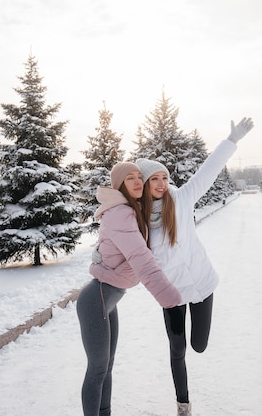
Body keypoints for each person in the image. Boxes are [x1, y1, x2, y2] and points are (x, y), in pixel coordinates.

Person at [136, 117, 254, 416]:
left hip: (202, 285)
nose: (162, 184)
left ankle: (188, 381)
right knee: (178, 350)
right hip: (171, 295)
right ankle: (183, 404)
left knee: (198, 345)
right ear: (145, 185)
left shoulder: (183, 199)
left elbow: (208, 171)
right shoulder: (137, 220)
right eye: (155, 180)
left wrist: (232, 141)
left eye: (164, 177)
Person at [77, 162, 182, 416]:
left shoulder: (130, 210)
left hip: (108, 300)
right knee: (98, 369)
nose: (137, 182)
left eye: (139, 177)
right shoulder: (121, 214)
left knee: (107, 368)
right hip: (97, 299)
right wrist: (171, 299)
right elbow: (141, 258)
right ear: (119, 186)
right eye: (129, 179)